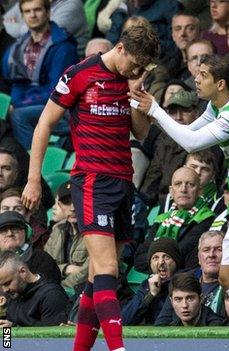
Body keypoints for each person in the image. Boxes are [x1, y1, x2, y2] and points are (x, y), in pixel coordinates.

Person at [21, 25, 160, 351]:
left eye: (143, 69)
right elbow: (44, 124)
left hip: (123, 183)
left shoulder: (131, 78)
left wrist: (139, 101)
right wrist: (32, 178)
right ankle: (118, 347)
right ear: (121, 49)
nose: (137, 72)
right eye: (136, 65)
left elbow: (139, 134)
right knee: (109, 269)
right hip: (92, 182)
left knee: (97, 277)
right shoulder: (80, 74)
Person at [130, 54, 229, 351]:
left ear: (220, 83)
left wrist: (156, 110)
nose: (195, 79)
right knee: (225, 275)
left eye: (203, 75)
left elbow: (193, 144)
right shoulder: (219, 103)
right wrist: (152, 111)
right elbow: (191, 132)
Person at [2, 0, 78, 151]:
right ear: (22, 16)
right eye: (27, 11)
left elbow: (57, 91)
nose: (33, 15)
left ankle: (33, 165)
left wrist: (18, 104)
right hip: (29, 104)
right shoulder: (19, 46)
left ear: (48, 12)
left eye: (37, 10)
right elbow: (16, 82)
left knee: (19, 116)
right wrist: (15, 101)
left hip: (59, 108)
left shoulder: (62, 45)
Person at [122, 238, 182, 325]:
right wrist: (150, 294)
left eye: (166, 257)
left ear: (176, 262)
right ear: (150, 264)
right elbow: (125, 321)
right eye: (155, 258)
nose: (161, 262)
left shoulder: (183, 284)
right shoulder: (146, 285)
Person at [0, 250, 67, 327]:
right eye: (1, 285)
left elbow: (54, 336)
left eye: (7, 283)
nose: (5, 290)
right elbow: (8, 337)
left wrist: (14, 328)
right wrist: (6, 331)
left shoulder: (52, 295)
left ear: (23, 272)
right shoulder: (13, 294)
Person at [43, 181, 88, 291]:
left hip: (85, 292)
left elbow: (89, 273)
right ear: (59, 205)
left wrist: (57, 289)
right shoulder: (57, 229)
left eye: (77, 201)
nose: (72, 208)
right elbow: (44, 266)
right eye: (67, 202)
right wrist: (66, 268)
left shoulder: (97, 231)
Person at [0, 211, 61, 284]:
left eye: (15, 229)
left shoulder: (43, 260)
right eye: (3, 230)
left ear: (27, 233)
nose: (10, 233)